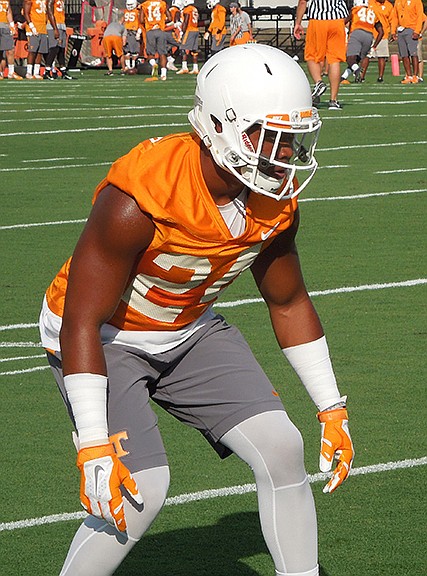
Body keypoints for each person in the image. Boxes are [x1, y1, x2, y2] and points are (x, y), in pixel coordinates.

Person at [39, 44, 354, 576]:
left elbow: (288, 298)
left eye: (291, 134)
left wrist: (331, 405)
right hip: (107, 337)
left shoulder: (273, 198)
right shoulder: (139, 196)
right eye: (268, 133)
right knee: (141, 487)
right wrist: (93, 442)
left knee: (282, 446)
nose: (285, 150)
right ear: (220, 126)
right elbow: (80, 319)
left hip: (188, 328)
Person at [294, 0, 348, 110]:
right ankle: (333, 100)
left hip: (318, 19)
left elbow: (303, 2)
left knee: (312, 56)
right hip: (337, 20)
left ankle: (319, 82)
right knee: (334, 60)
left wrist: (298, 22)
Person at [340, 0, 384, 85]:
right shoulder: (373, 12)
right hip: (369, 36)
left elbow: (344, 22)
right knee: (355, 60)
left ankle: (357, 70)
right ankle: (343, 78)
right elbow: (381, 32)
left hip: (357, 33)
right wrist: (374, 46)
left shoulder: (355, 9)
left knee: (349, 58)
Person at [360, 0, 394, 83]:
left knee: (381, 56)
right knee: (366, 56)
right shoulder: (370, 3)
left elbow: (392, 20)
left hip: (382, 35)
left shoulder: (389, 6)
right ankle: (361, 77)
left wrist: (393, 32)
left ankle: (380, 77)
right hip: (369, 33)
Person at [391, 0, 424, 84]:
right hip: (401, 29)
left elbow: (420, 16)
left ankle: (415, 76)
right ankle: (408, 75)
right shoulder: (398, 1)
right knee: (404, 54)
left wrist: (417, 31)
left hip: (412, 29)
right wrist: (393, 31)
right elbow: (394, 16)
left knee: (413, 53)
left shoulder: (416, 1)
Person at [140, 0, 170, 81]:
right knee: (162, 53)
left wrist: (149, 22)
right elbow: (170, 18)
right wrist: (161, 22)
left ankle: (154, 64)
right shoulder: (162, 3)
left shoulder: (145, 4)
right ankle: (164, 74)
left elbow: (141, 20)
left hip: (150, 31)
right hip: (160, 30)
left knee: (150, 53)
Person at [44, 0, 74, 80]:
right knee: (54, 48)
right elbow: (50, 13)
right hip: (54, 25)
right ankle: (47, 71)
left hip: (61, 25)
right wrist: (55, 29)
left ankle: (63, 71)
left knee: (61, 49)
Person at [23, 0, 50, 79]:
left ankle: (36, 72)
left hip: (43, 28)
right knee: (32, 51)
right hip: (33, 27)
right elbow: (26, 13)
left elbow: (47, 13)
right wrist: (31, 26)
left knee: (40, 51)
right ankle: (29, 72)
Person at [0, 0, 23, 79]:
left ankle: (11, 72)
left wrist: (12, 24)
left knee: (10, 49)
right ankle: (1, 72)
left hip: (5, 25)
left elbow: (8, 10)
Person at [176, 0, 199, 74]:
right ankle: (195, 68)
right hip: (195, 29)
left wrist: (182, 31)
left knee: (183, 48)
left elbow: (186, 20)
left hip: (189, 30)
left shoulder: (187, 9)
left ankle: (184, 67)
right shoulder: (194, 9)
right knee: (194, 50)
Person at [120, 0, 142, 72]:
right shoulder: (137, 11)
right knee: (132, 51)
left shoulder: (126, 11)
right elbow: (141, 21)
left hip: (126, 31)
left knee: (128, 51)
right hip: (132, 31)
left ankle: (129, 66)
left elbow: (121, 21)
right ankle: (131, 66)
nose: (129, 6)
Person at [416, 11, 427, 81]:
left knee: (419, 57)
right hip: (407, 36)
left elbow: (426, 20)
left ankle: (420, 76)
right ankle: (410, 75)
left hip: (416, 36)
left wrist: (422, 32)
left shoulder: (418, 13)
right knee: (408, 57)